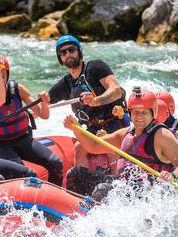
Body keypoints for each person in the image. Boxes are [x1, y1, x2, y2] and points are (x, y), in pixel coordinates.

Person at [62, 87, 178, 196]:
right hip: (123, 184)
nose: (139, 117)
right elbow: (93, 146)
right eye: (135, 112)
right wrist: (75, 128)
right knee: (75, 174)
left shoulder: (162, 135)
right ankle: (75, 211)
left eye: (144, 112)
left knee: (102, 190)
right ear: (129, 113)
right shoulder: (125, 134)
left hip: (148, 191)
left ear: (153, 112)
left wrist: (173, 176)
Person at [48, 35, 128, 191]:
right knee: (79, 148)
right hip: (92, 127)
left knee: (107, 144)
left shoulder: (96, 67)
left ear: (79, 52)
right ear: (60, 59)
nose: (68, 54)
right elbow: (42, 107)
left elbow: (116, 90)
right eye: (63, 53)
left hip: (115, 121)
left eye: (71, 50)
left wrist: (96, 100)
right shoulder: (66, 83)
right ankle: (81, 189)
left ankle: (119, 185)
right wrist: (40, 100)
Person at [0, 54, 64, 186]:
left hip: (24, 139)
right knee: (26, 175)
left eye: (2, 74)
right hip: (1, 145)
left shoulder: (18, 90)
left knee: (56, 163)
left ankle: (56, 194)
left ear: (7, 74)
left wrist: (45, 103)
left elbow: (43, 115)